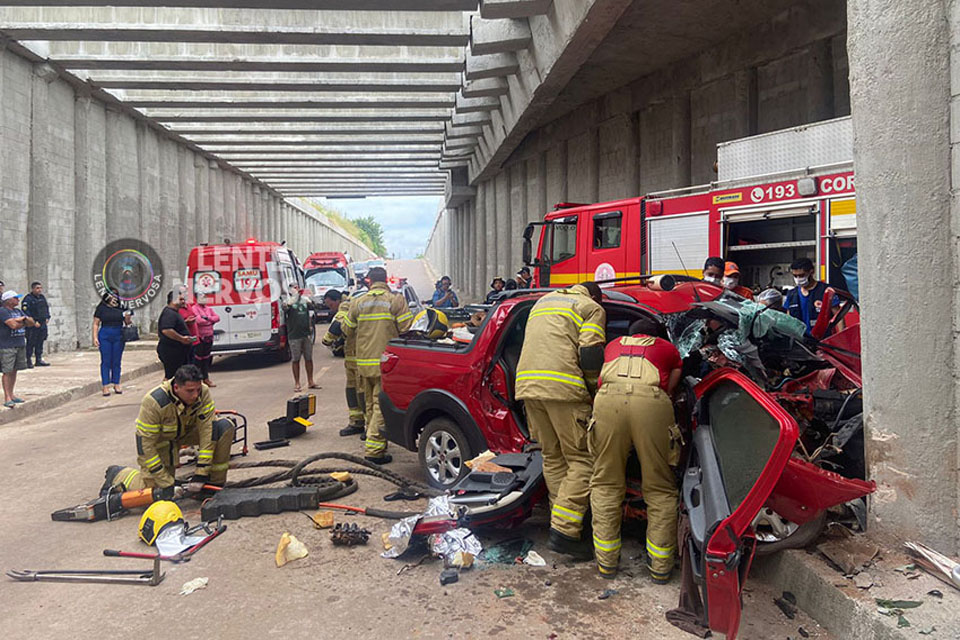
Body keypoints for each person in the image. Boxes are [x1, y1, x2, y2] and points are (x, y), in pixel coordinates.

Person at [515, 281, 606, 559]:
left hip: (528, 387)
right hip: (564, 390)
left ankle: (564, 522)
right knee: (583, 460)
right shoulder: (590, 307)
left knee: (553, 458)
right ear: (594, 296)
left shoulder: (542, 303)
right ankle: (565, 530)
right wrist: (594, 390)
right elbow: (590, 352)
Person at [589, 317, 683, 582]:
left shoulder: (613, 345)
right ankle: (660, 567)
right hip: (651, 404)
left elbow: (598, 380)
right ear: (655, 335)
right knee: (660, 487)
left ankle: (606, 564)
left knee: (606, 483)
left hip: (607, 401)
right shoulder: (666, 347)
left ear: (630, 334)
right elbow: (674, 378)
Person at [342, 266, 414, 463]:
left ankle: (372, 436)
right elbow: (408, 330)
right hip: (386, 364)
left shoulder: (358, 302)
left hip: (364, 364)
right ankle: (374, 450)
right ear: (386, 281)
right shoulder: (395, 300)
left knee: (369, 404)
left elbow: (346, 329)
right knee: (380, 407)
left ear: (369, 281)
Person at [132, 364, 234, 496]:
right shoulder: (154, 402)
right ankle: (119, 475)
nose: (195, 396)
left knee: (223, 427)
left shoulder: (203, 392)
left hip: (186, 435)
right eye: (190, 391)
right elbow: (145, 446)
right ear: (176, 387)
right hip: (163, 443)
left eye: (198, 390)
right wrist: (166, 482)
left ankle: (213, 485)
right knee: (154, 492)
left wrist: (201, 472)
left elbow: (208, 430)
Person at [322, 289, 367, 438]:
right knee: (352, 390)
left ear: (336, 301)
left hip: (358, 356)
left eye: (330, 305)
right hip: (352, 357)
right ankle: (357, 422)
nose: (331, 309)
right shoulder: (352, 303)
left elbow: (338, 324)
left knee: (362, 392)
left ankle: (370, 427)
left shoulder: (345, 305)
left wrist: (327, 340)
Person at [1, 291, 38, 409]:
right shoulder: (3, 311)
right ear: (8, 300)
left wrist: (23, 319)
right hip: (7, 345)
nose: (18, 300)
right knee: (7, 371)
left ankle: (12, 394)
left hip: (20, 343)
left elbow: (31, 322)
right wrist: (23, 321)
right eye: (15, 298)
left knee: (15, 370)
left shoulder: (18, 311)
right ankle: (7, 397)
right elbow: (12, 325)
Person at [93, 291, 134, 396]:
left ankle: (117, 383)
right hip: (105, 334)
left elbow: (127, 322)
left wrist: (128, 316)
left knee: (116, 360)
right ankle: (105, 385)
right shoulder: (101, 308)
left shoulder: (121, 307)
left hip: (118, 334)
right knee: (106, 360)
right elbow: (96, 323)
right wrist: (95, 337)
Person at [784, 257, 839, 334]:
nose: (798, 278)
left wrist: (842, 338)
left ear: (811, 272)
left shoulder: (826, 291)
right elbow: (788, 319)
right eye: (795, 276)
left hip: (822, 338)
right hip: (800, 340)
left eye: (801, 275)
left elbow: (839, 317)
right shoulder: (792, 294)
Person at [282, 284, 319, 393]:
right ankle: (297, 383)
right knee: (296, 359)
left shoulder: (304, 300)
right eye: (294, 287)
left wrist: (310, 299)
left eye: (297, 287)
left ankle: (311, 381)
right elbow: (284, 309)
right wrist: (291, 301)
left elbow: (313, 306)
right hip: (294, 335)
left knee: (308, 358)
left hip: (306, 334)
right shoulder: (289, 302)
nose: (297, 289)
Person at [157, 289, 197, 380]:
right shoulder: (169, 313)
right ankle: (167, 392)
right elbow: (166, 330)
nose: (183, 302)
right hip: (171, 351)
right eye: (181, 299)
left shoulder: (175, 312)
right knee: (171, 376)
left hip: (181, 351)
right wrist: (182, 339)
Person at [183, 293, 220, 387]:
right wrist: (209, 320)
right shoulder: (194, 309)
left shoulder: (209, 309)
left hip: (209, 337)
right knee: (198, 360)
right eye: (201, 298)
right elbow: (199, 321)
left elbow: (217, 318)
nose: (204, 300)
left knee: (206, 359)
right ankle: (197, 380)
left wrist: (207, 318)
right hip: (200, 338)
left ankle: (206, 378)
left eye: (205, 298)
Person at [21, 281, 50, 367]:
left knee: (40, 342)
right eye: (37, 288)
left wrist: (47, 317)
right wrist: (33, 322)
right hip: (32, 325)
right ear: (33, 289)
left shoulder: (42, 298)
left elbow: (46, 308)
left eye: (40, 288)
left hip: (42, 324)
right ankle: (28, 360)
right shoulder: (28, 299)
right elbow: (26, 312)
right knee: (31, 343)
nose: (39, 290)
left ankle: (38, 359)